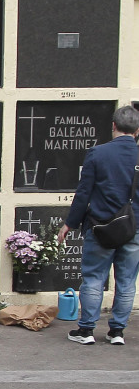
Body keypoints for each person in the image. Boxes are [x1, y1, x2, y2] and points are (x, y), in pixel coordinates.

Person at [57, 104, 139, 346]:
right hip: (134, 228)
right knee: (126, 281)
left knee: (93, 278)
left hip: (100, 226)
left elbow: (84, 193)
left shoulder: (98, 153)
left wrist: (69, 224)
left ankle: (86, 330)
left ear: (113, 126)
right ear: (137, 130)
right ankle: (117, 332)